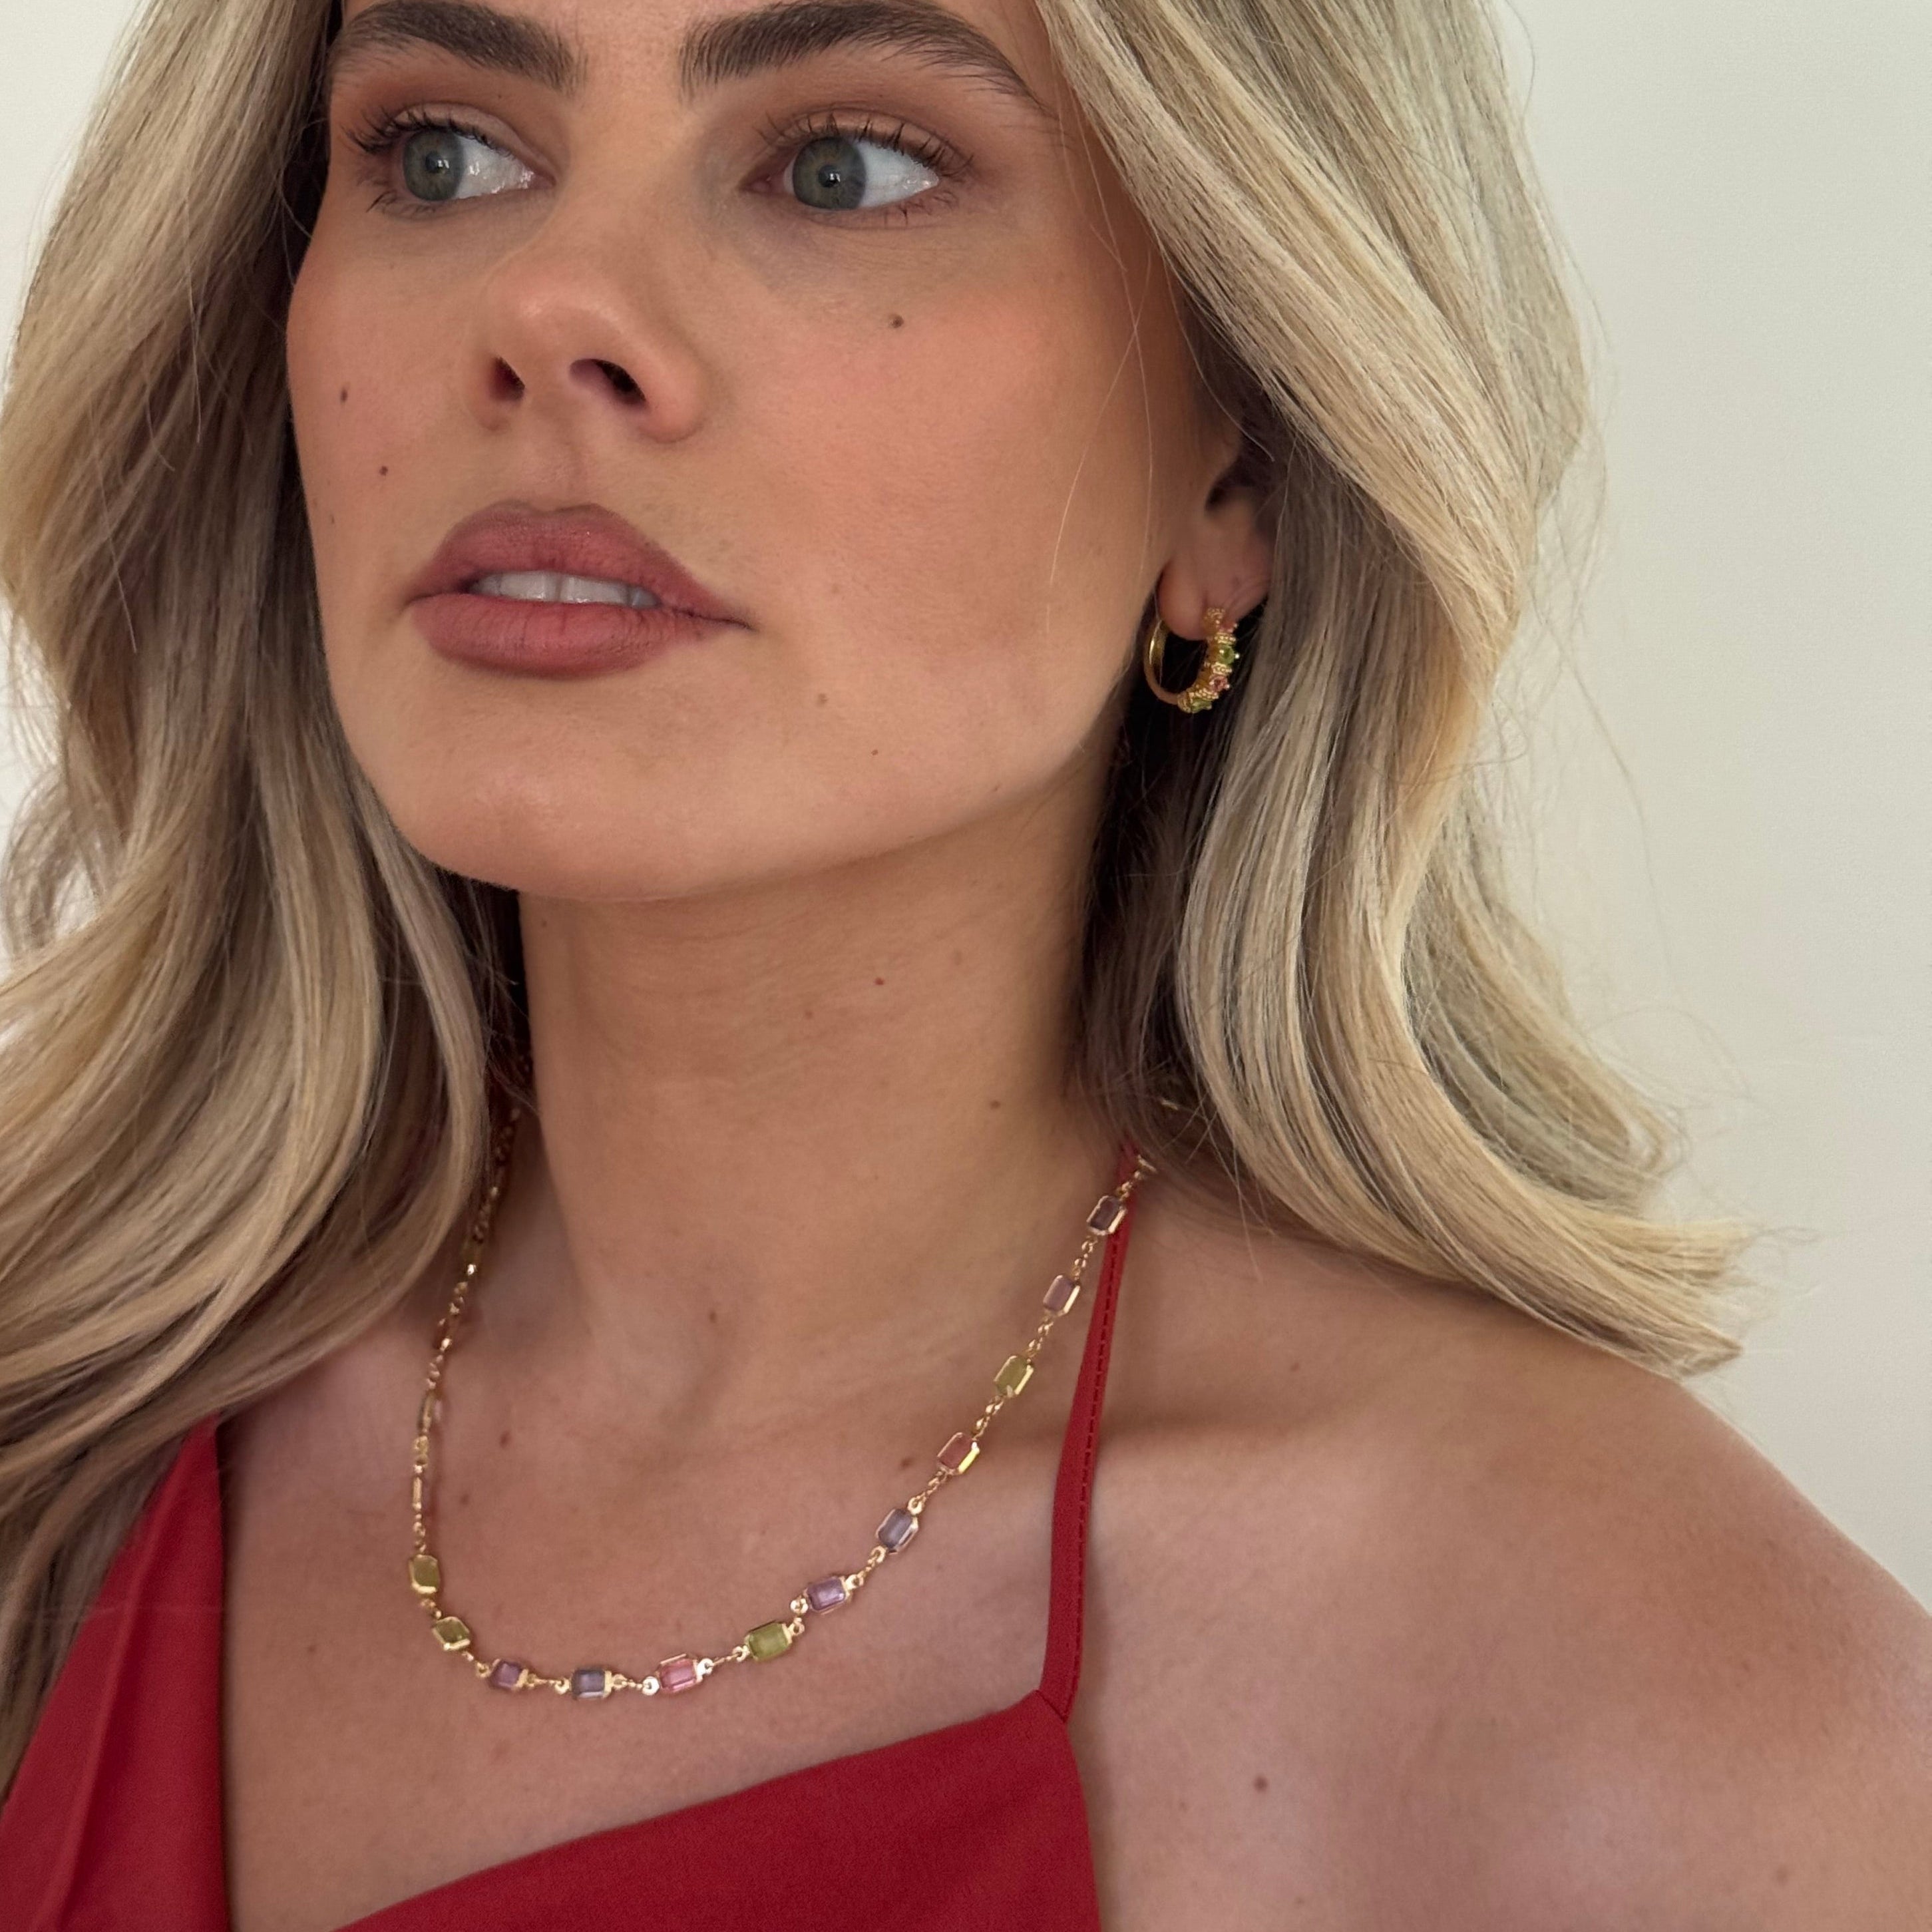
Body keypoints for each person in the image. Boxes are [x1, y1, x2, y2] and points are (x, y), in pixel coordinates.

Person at [0, 0, 1926, 1923]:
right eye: (444, 155)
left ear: (1239, 473)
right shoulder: (61, 1423)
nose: (549, 302)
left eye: (844, 170)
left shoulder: (1672, 1737)